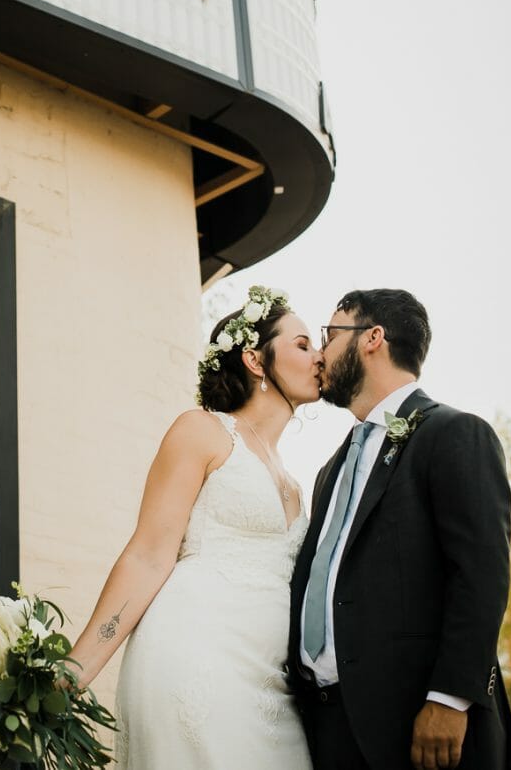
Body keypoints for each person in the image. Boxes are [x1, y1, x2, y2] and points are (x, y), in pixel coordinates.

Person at [68, 286, 320, 769]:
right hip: (194, 660)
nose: (319, 356)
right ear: (255, 359)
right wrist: (75, 670)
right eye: (303, 344)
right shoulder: (202, 431)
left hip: (271, 684)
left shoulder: (295, 482)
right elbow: (148, 555)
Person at [289, 288, 511, 770]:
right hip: (328, 725)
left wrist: (450, 698)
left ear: (373, 338)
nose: (321, 354)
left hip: (420, 724)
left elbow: (481, 572)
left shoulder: (454, 433)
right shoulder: (330, 470)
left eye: (330, 335)